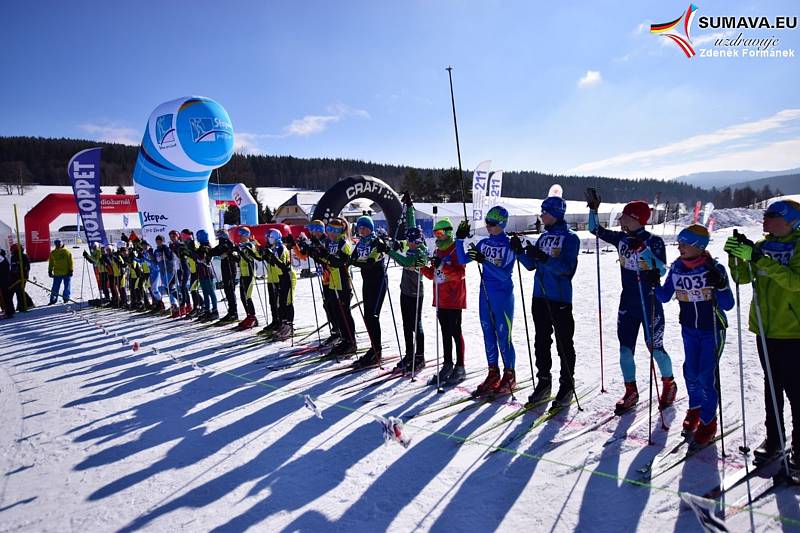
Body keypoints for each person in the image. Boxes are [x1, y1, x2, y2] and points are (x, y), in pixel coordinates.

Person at [725, 199, 800, 469]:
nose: (765, 220)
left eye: (771, 216)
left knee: (796, 390)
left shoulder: (798, 245)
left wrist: (760, 259)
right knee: (772, 386)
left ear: (790, 220)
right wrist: (737, 257)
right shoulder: (762, 245)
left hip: (793, 330)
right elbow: (743, 278)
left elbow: (795, 282)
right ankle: (774, 438)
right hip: (765, 327)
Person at [587, 192, 677, 414]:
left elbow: (662, 269)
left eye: (624, 217)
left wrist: (643, 251)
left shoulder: (654, 241)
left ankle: (668, 383)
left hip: (649, 303)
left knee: (655, 348)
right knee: (625, 350)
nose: (620, 220)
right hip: (628, 302)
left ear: (636, 218)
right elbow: (595, 230)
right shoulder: (622, 239)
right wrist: (593, 210)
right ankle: (631, 390)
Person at [654, 224, 734, 445]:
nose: (679, 247)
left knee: (706, 376)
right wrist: (651, 281)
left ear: (699, 246)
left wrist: (721, 285)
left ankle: (709, 421)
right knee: (690, 372)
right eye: (679, 243)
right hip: (689, 329)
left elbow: (728, 304)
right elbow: (663, 296)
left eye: (684, 243)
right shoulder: (677, 268)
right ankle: (695, 408)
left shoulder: (713, 267)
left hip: (712, 330)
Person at [513, 196, 580, 408]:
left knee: (564, 343)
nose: (541, 215)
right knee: (541, 341)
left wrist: (543, 258)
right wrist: (520, 252)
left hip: (559, 297)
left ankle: (567, 384)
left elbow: (567, 269)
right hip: (539, 297)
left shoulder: (571, 238)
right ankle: (544, 381)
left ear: (556, 214)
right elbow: (531, 265)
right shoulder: (542, 238)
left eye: (545, 212)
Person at [456, 206, 518, 396]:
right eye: (487, 222)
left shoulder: (509, 245)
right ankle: (493, 372)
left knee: (503, 335)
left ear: (502, 224)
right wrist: (459, 240)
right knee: (488, 334)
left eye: (492, 223)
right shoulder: (483, 243)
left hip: (503, 296)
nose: (488, 226)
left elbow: (503, 275)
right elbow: (461, 260)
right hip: (485, 295)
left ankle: (510, 375)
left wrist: (484, 261)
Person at [377, 195, 428, 372]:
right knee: (406, 324)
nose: (411, 245)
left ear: (420, 240)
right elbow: (411, 224)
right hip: (404, 290)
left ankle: (420, 356)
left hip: (416, 293)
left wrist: (390, 251)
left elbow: (407, 263)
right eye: (410, 242)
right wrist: (409, 206)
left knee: (416, 324)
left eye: (414, 242)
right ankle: (409, 354)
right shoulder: (411, 243)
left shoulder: (422, 253)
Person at [421, 217, 467, 384]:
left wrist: (443, 266)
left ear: (448, 232)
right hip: (440, 298)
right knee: (445, 333)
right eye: (435, 233)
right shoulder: (438, 250)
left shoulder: (455, 249)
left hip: (454, 298)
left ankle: (460, 367)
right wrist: (421, 267)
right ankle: (448, 364)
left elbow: (460, 274)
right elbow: (434, 274)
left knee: (455, 332)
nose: (437, 237)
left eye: (440, 233)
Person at [349, 215, 387, 368]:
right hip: (367, 282)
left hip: (378, 281)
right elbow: (352, 259)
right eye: (359, 227)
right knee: (367, 316)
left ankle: (377, 350)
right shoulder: (361, 243)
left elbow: (369, 263)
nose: (361, 230)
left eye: (364, 227)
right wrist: (356, 262)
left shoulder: (376, 242)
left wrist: (357, 262)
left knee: (373, 316)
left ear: (370, 228)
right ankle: (373, 349)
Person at [316, 217, 357, 357]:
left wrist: (324, 256)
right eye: (330, 230)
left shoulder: (344, 243)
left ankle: (351, 342)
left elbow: (339, 261)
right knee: (337, 312)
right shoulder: (330, 242)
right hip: (332, 282)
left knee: (344, 312)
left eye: (336, 230)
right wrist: (317, 253)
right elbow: (326, 260)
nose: (332, 233)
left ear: (342, 230)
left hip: (342, 282)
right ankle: (344, 339)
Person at [260, 229, 296, 341]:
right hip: (281, 277)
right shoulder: (274, 248)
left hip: (288, 276)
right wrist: (265, 255)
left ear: (275, 237)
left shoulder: (281, 248)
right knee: (280, 302)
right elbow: (273, 263)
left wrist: (271, 256)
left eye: (269, 237)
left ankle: (289, 325)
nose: (267, 239)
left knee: (287, 302)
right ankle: (282, 324)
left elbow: (282, 265)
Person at [210, 229, 240, 324]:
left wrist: (227, 253)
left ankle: (233, 313)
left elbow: (232, 251)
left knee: (230, 290)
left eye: (220, 236)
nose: (219, 239)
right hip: (226, 268)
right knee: (227, 289)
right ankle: (231, 312)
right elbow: (215, 251)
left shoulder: (228, 243)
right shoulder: (223, 243)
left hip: (230, 268)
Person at [235, 226, 259, 330]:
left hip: (249, 273)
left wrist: (239, 251)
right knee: (242, 296)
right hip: (243, 273)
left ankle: (253, 317)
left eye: (241, 235)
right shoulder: (243, 245)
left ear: (246, 236)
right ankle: (249, 316)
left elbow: (248, 259)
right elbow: (240, 260)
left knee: (248, 296)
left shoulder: (249, 245)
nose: (239, 237)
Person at [193, 229, 219, 322]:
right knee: (205, 292)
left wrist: (198, 255)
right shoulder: (201, 246)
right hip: (201, 271)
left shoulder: (206, 246)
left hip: (206, 271)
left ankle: (215, 310)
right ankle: (207, 311)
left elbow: (205, 259)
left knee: (210, 292)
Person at [47, 239, 73, 305]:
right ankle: (53, 299)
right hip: (57, 273)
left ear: (61, 244)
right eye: (57, 244)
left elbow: (70, 262)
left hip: (66, 272)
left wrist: (71, 270)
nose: (58, 245)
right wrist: (50, 270)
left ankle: (66, 298)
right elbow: (51, 263)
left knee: (67, 286)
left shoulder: (66, 252)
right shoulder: (53, 253)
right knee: (55, 287)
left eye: (59, 244)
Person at [9, 243, 33, 312]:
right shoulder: (13, 257)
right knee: (16, 290)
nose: (11, 252)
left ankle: (24, 305)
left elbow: (27, 267)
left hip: (22, 277)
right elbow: (12, 267)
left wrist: (24, 275)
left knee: (19, 290)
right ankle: (26, 303)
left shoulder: (24, 256)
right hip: (14, 277)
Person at [0, 249, 14, 318]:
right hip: (5, 280)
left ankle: (9, 312)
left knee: (6, 297)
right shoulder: (3, 258)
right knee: (6, 297)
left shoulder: (1, 258)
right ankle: (9, 311)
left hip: (3, 280)